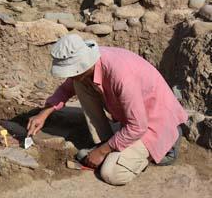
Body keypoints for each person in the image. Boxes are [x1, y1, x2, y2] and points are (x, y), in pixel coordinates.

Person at [27, 34, 187, 186]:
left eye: (71, 70)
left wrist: (103, 152)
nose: (69, 75)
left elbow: (138, 127)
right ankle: (106, 141)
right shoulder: (89, 68)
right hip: (134, 120)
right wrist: (44, 113)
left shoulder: (122, 76)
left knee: (111, 173)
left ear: (82, 63)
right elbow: (66, 89)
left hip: (155, 125)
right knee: (78, 84)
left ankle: (166, 146)